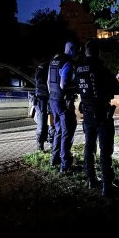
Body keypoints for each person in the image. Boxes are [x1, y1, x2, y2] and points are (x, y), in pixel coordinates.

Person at [76, 39, 119, 197]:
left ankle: (91, 179)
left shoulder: (79, 69)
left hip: (87, 115)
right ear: (98, 52)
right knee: (105, 150)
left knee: (89, 148)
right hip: (102, 115)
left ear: (85, 52)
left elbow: (78, 88)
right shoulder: (101, 69)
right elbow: (118, 89)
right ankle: (107, 185)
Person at [47, 42, 78, 173]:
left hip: (53, 100)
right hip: (63, 102)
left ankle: (55, 159)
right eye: (76, 50)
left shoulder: (54, 61)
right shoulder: (67, 63)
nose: (77, 53)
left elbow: (49, 82)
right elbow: (63, 85)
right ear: (71, 50)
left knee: (59, 130)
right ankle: (65, 166)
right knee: (67, 131)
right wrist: (76, 88)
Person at [34, 58, 55, 151]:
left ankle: (52, 143)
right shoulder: (43, 66)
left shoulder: (54, 66)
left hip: (51, 97)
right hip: (42, 97)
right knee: (42, 121)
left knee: (52, 122)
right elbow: (39, 82)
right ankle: (40, 144)